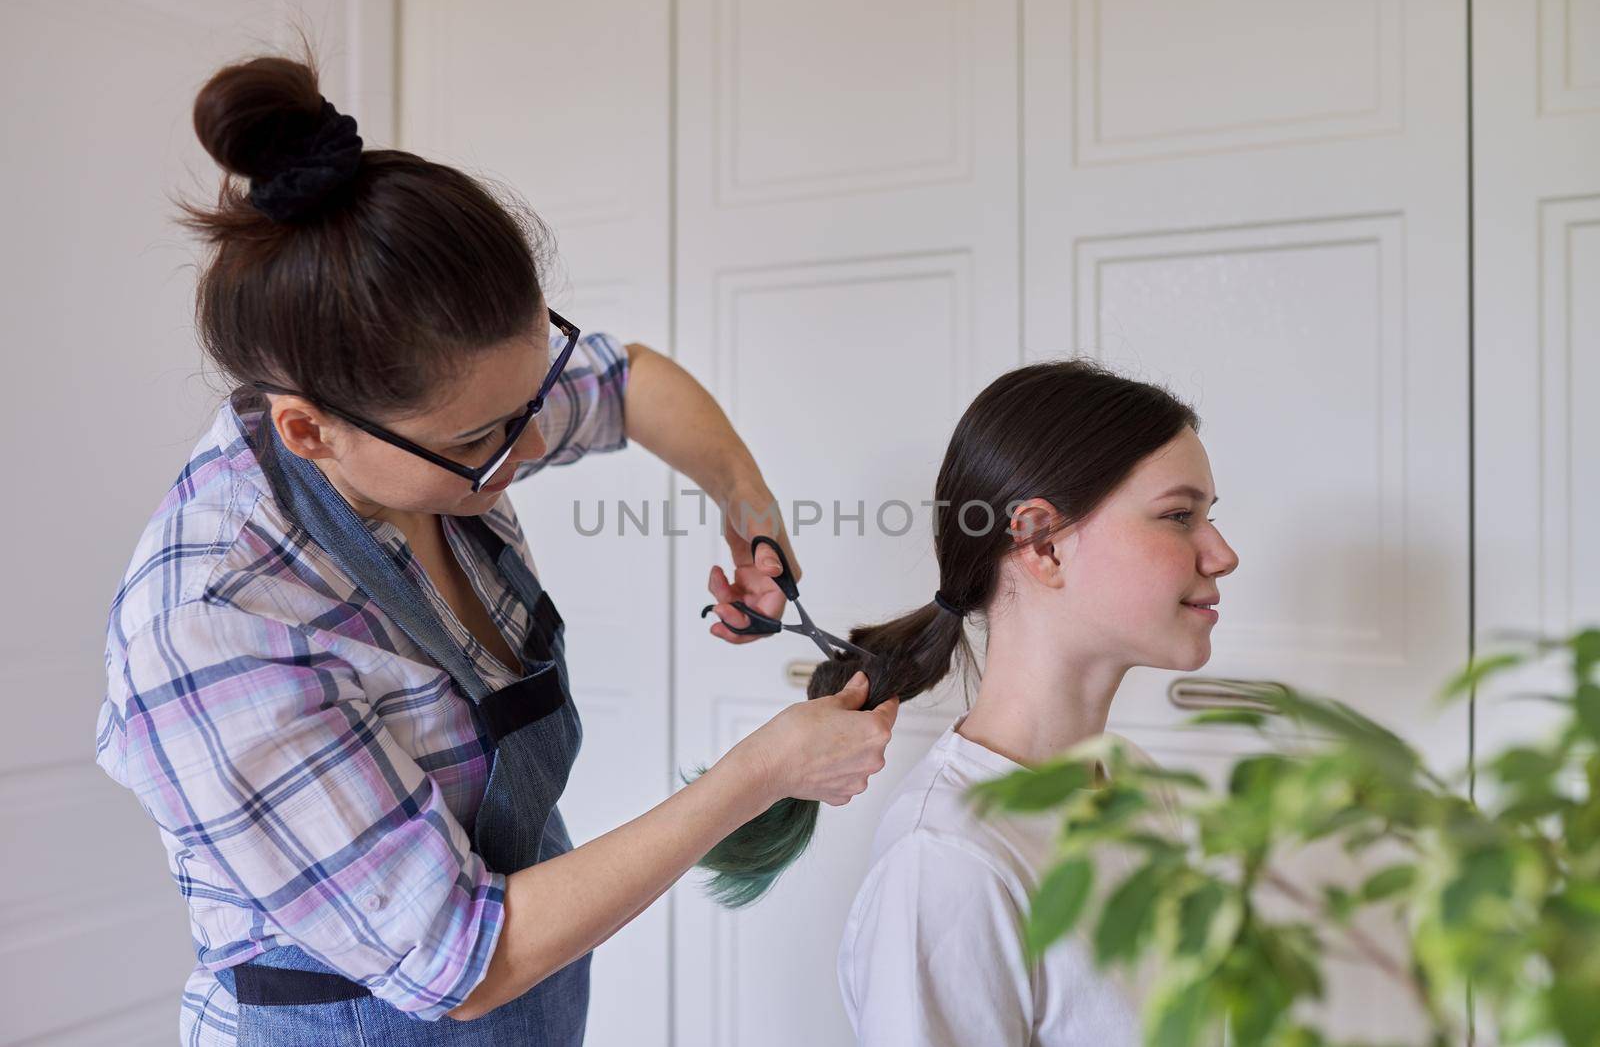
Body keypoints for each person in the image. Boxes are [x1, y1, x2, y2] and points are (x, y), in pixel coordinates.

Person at [93, 51, 897, 1046]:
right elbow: (459, 962)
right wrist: (751, 780)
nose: (524, 449)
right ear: (309, 431)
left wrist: (747, 502)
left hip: (535, 994)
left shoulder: (443, 420)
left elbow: (621, 384)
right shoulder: (215, 626)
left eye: (525, 404)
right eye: (481, 441)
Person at [830, 359, 1239, 1045]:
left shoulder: (1136, 783)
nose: (1221, 553)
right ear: (1043, 545)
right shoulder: (949, 865)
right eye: (1179, 516)